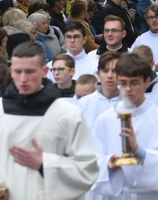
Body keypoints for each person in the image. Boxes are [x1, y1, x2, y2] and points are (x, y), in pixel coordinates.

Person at [0, 42, 98, 199]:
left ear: (45, 71)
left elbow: (87, 170)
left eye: (30, 71)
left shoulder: (67, 114)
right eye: (18, 72)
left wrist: (45, 163)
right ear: (11, 71)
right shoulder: (1, 111)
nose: (23, 79)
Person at [90, 53, 158, 199]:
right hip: (117, 195)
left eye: (134, 83)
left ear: (146, 82)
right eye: (123, 82)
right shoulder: (105, 119)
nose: (128, 89)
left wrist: (139, 151)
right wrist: (108, 164)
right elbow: (91, 159)